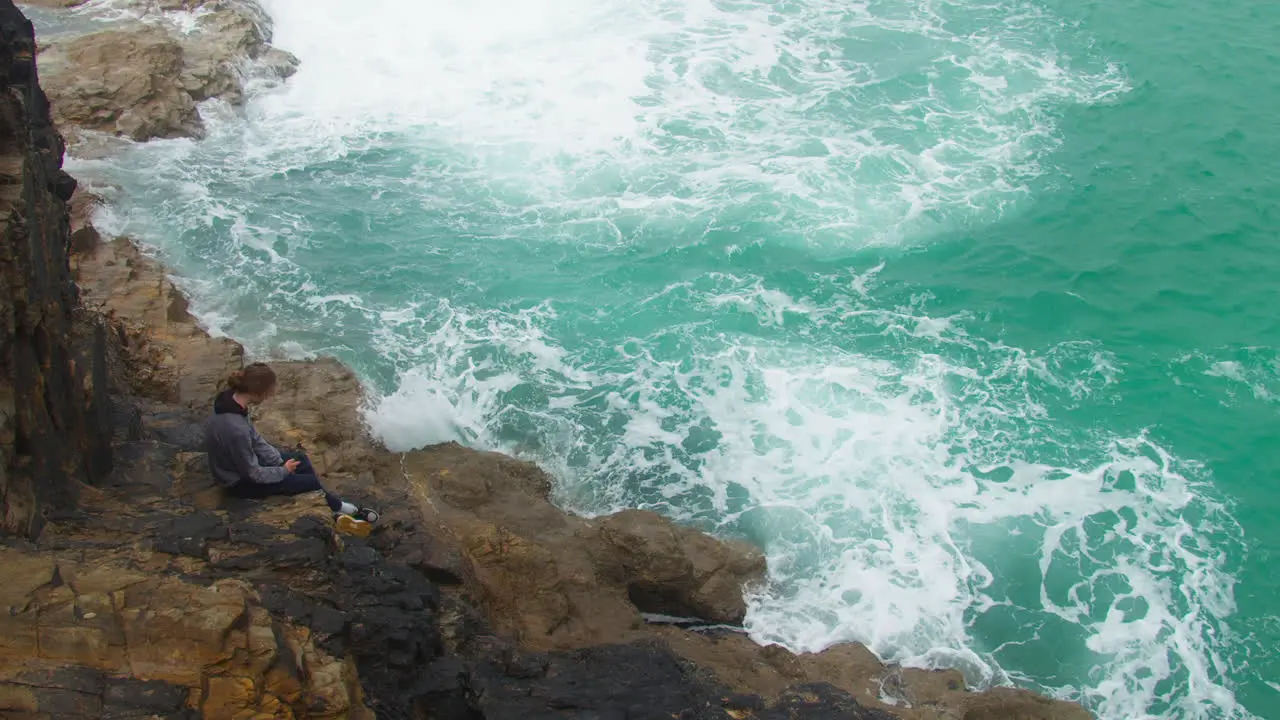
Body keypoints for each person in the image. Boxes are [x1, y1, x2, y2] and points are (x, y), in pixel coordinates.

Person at [205, 362, 378, 535]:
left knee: (299, 459)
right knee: (309, 482)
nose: (269, 397)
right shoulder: (236, 429)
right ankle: (343, 509)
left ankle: (332, 506)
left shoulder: (231, 401)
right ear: (258, 392)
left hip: (239, 464)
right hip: (237, 482)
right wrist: (283, 471)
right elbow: (252, 473)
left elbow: (255, 440)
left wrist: (278, 460)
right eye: (268, 393)